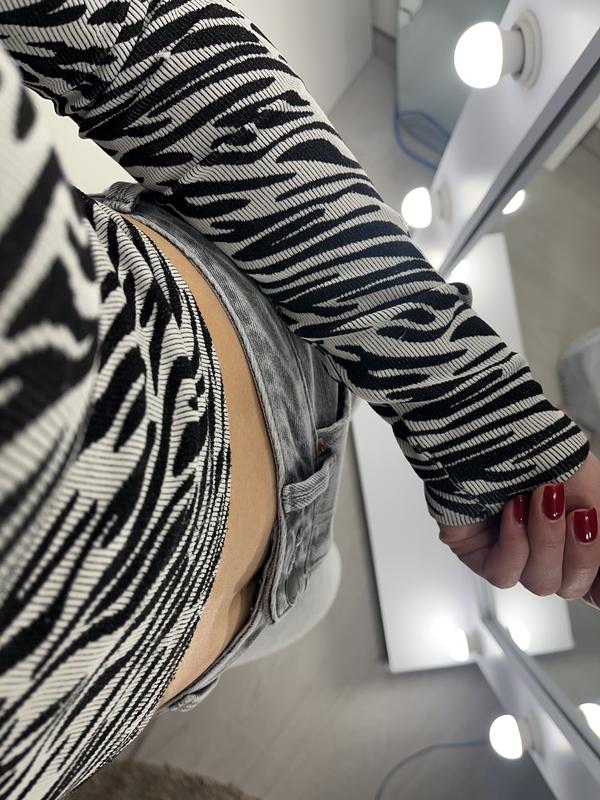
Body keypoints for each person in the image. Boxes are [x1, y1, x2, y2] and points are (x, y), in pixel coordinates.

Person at [0, 1, 598, 797]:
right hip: (144, 681)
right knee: (315, 595)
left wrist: (479, 413)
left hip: (262, 361)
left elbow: (134, 36)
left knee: (316, 591)